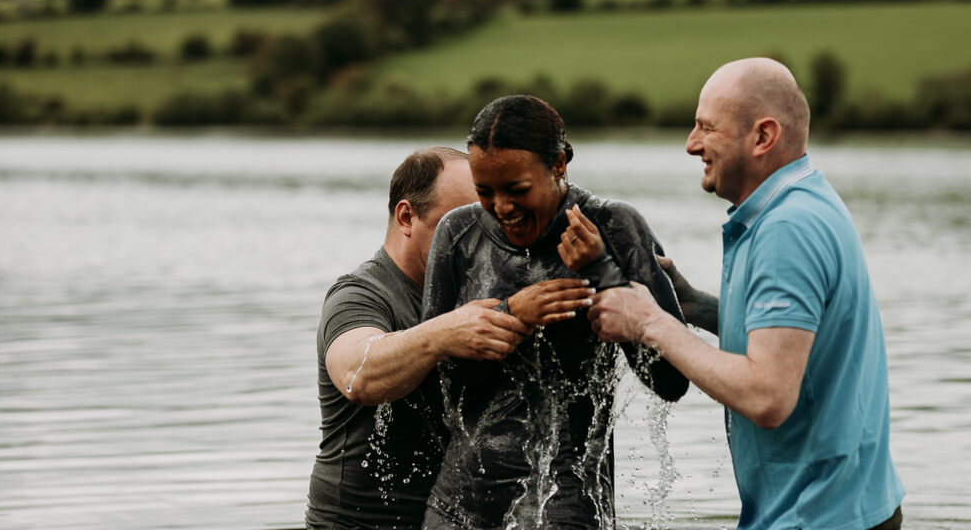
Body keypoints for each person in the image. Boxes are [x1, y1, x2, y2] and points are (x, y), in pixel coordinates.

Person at [589, 58, 905, 529]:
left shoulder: (785, 229)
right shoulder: (804, 200)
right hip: (851, 507)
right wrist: (693, 305)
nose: (691, 144)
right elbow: (799, 339)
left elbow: (768, 396)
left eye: (706, 128)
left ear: (763, 137)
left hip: (815, 516)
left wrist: (648, 323)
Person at [420, 95, 689, 529]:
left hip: (568, 505)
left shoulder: (616, 227)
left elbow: (671, 380)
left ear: (560, 164)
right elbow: (437, 388)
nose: (503, 207)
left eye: (517, 189)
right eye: (485, 191)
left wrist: (604, 272)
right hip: (461, 505)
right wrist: (511, 316)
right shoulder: (457, 235)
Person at [305, 147, 536, 529]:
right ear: (407, 216)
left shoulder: (476, 290)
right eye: (458, 224)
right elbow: (356, 372)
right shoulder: (360, 294)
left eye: (486, 226)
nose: (478, 242)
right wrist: (444, 334)